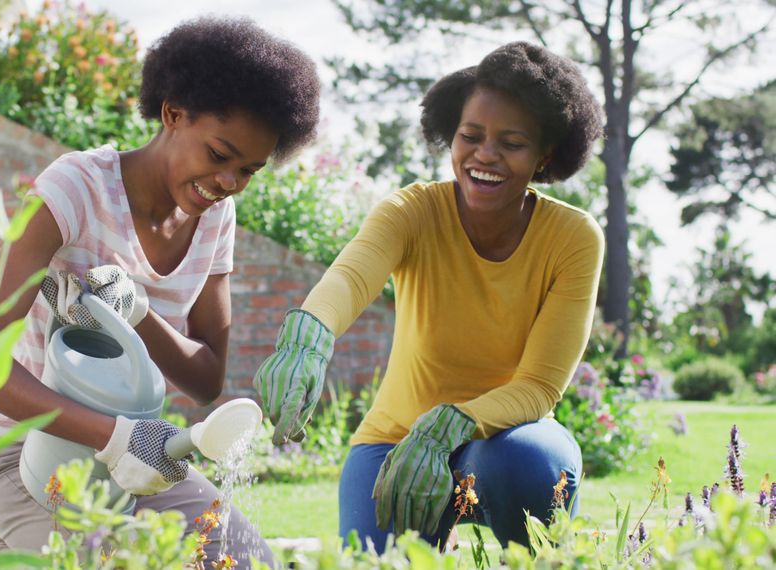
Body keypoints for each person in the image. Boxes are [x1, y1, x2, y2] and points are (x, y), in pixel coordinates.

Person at [0, 16, 320, 567]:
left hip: (137, 456)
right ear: (172, 113)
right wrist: (114, 438)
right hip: (24, 449)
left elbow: (205, 377)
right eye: (219, 155)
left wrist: (138, 313)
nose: (229, 183)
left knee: (243, 562)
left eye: (248, 171)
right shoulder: (76, 189)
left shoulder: (215, 219)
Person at [254, 41, 605, 552]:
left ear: (544, 155)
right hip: (392, 443)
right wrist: (309, 333)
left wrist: (449, 425)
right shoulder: (412, 211)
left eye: (512, 143)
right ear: (451, 136)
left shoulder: (573, 237)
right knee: (369, 564)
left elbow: (538, 388)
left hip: (502, 443)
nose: (486, 154)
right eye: (471, 136)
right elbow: (350, 278)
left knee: (530, 463)